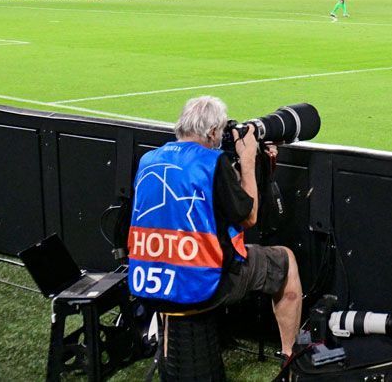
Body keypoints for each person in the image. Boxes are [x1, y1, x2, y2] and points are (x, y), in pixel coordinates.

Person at [126, 96, 302, 359]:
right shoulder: (212, 163)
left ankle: (167, 353)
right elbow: (249, 217)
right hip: (203, 286)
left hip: (149, 283)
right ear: (212, 132)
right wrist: (247, 159)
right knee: (285, 261)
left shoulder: (148, 159)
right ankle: (290, 358)